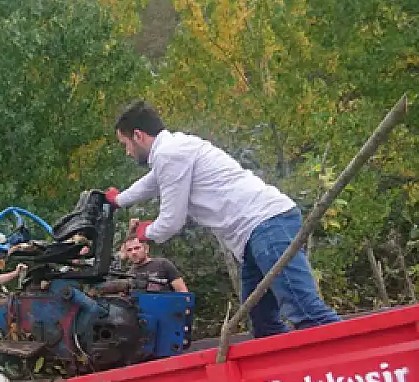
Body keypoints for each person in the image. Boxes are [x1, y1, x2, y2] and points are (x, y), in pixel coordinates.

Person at [104, 100, 340, 338]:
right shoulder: (174, 150)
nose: (127, 151)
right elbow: (150, 183)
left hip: (267, 224)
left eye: (125, 144)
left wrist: (146, 232)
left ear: (138, 135)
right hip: (257, 233)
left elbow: (172, 221)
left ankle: (357, 356)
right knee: (264, 324)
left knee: (306, 312)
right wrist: (118, 200)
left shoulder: (169, 153)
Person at [120, 234, 188, 293]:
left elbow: (182, 292)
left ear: (146, 249)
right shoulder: (129, 274)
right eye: (129, 250)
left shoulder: (163, 264)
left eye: (137, 248)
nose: (133, 252)